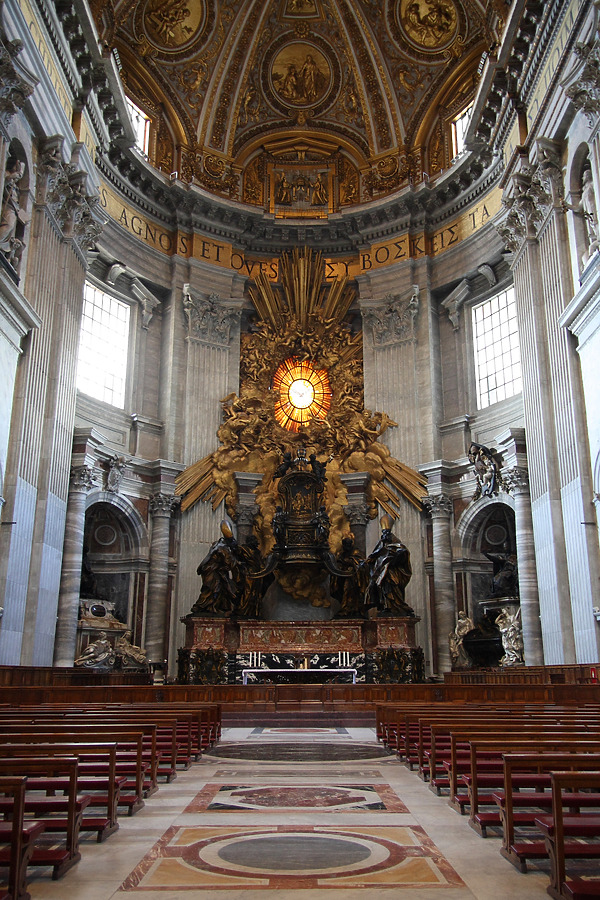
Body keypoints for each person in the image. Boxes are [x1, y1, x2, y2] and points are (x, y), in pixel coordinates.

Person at [190, 519, 244, 616]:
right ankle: (204, 606)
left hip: (211, 570)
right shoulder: (222, 548)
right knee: (213, 588)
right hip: (212, 571)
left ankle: (213, 607)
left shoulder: (217, 543)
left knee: (221, 589)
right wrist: (240, 563)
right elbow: (230, 561)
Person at [365, 516, 414, 616]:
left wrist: (393, 558)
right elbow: (374, 556)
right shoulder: (381, 545)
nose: (384, 536)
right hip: (382, 573)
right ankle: (386, 606)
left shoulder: (398, 546)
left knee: (391, 588)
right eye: (383, 533)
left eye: (386, 533)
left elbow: (403, 554)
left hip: (392, 573)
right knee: (381, 588)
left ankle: (394, 606)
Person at [331, 535, 368, 617]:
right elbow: (337, 564)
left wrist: (351, 563)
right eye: (344, 545)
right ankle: (345, 608)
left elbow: (361, 564)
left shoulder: (356, 553)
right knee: (344, 591)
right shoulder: (341, 554)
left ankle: (352, 609)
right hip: (343, 577)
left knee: (349, 590)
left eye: (348, 544)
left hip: (354, 579)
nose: (346, 547)